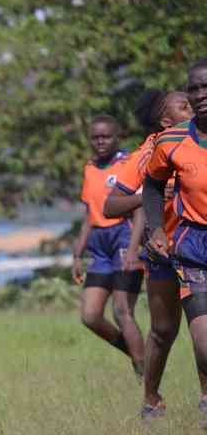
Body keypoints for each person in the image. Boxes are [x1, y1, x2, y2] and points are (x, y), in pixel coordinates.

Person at [103, 91, 194, 418]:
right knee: (163, 330)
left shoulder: (199, 138)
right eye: (184, 106)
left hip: (199, 247)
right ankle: (151, 399)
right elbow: (110, 205)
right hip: (163, 252)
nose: (194, 106)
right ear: (165, 122)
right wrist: (148, 196)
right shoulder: (146, 154)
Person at [143, 59, 207, 429]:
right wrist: (155, 230)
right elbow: (151, 185)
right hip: (195, 246)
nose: (200, 96)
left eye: (206, 88)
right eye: (194, 89)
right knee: (201, 344)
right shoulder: (171, 141)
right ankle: (152, 398)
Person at [72, 115, 144, 377]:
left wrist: (134, 248)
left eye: (106, 137)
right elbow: (89, 214)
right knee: (90, 315)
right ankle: (138, 353)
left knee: (122, 310)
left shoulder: (128, 164)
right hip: (99, 245)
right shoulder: (90, 167)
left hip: (124, 237)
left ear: (118, 137)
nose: (100, 141)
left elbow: (140, 212)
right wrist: (78, 254)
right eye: (95, 137)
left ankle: (146, 377)